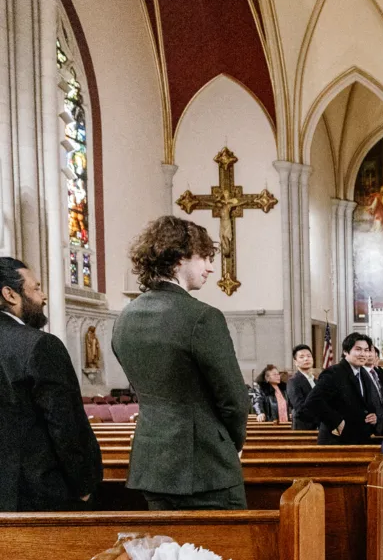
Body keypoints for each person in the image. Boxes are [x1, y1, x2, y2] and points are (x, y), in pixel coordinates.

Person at [112, 216, 249, 510]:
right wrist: (231, 444)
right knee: (220, 553)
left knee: (169, 555)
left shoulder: (124, 318)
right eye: (204, 258)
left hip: (153, 466)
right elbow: (234, 399)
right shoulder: (203, 317)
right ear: (177, 258)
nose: (210, 267)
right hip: (206, 467)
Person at [0, 257, 101, 511]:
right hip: (35, 495)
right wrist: (84, 485)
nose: (43, 296)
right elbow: (65, 423)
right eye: (35, 288)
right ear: (10, 294)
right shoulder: (39, 345)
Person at [302, 332, 382, 445]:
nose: (363, 354)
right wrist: (337, 422)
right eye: (358, 349)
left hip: (359, 439)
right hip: (337, 440)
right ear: (345, 351)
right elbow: (313, 401)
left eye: (366, 350)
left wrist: (374, 416)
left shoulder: (364, 373)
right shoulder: (334, 373)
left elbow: (364, 403)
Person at [363, 348, 383, 435]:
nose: (369, 354)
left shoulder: (377, 373)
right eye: (366, 351)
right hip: (368, 426)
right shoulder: (359, 374)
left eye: (371, 351)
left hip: (382, 425)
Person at [287, 343, 317, 430]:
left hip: (318, 427)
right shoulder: (293, 381)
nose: (306, 359)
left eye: (309, 356)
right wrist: (321, 417)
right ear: (296, 362)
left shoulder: (316, 381)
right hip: (303, 427)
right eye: (302, 357)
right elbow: (300, 408)